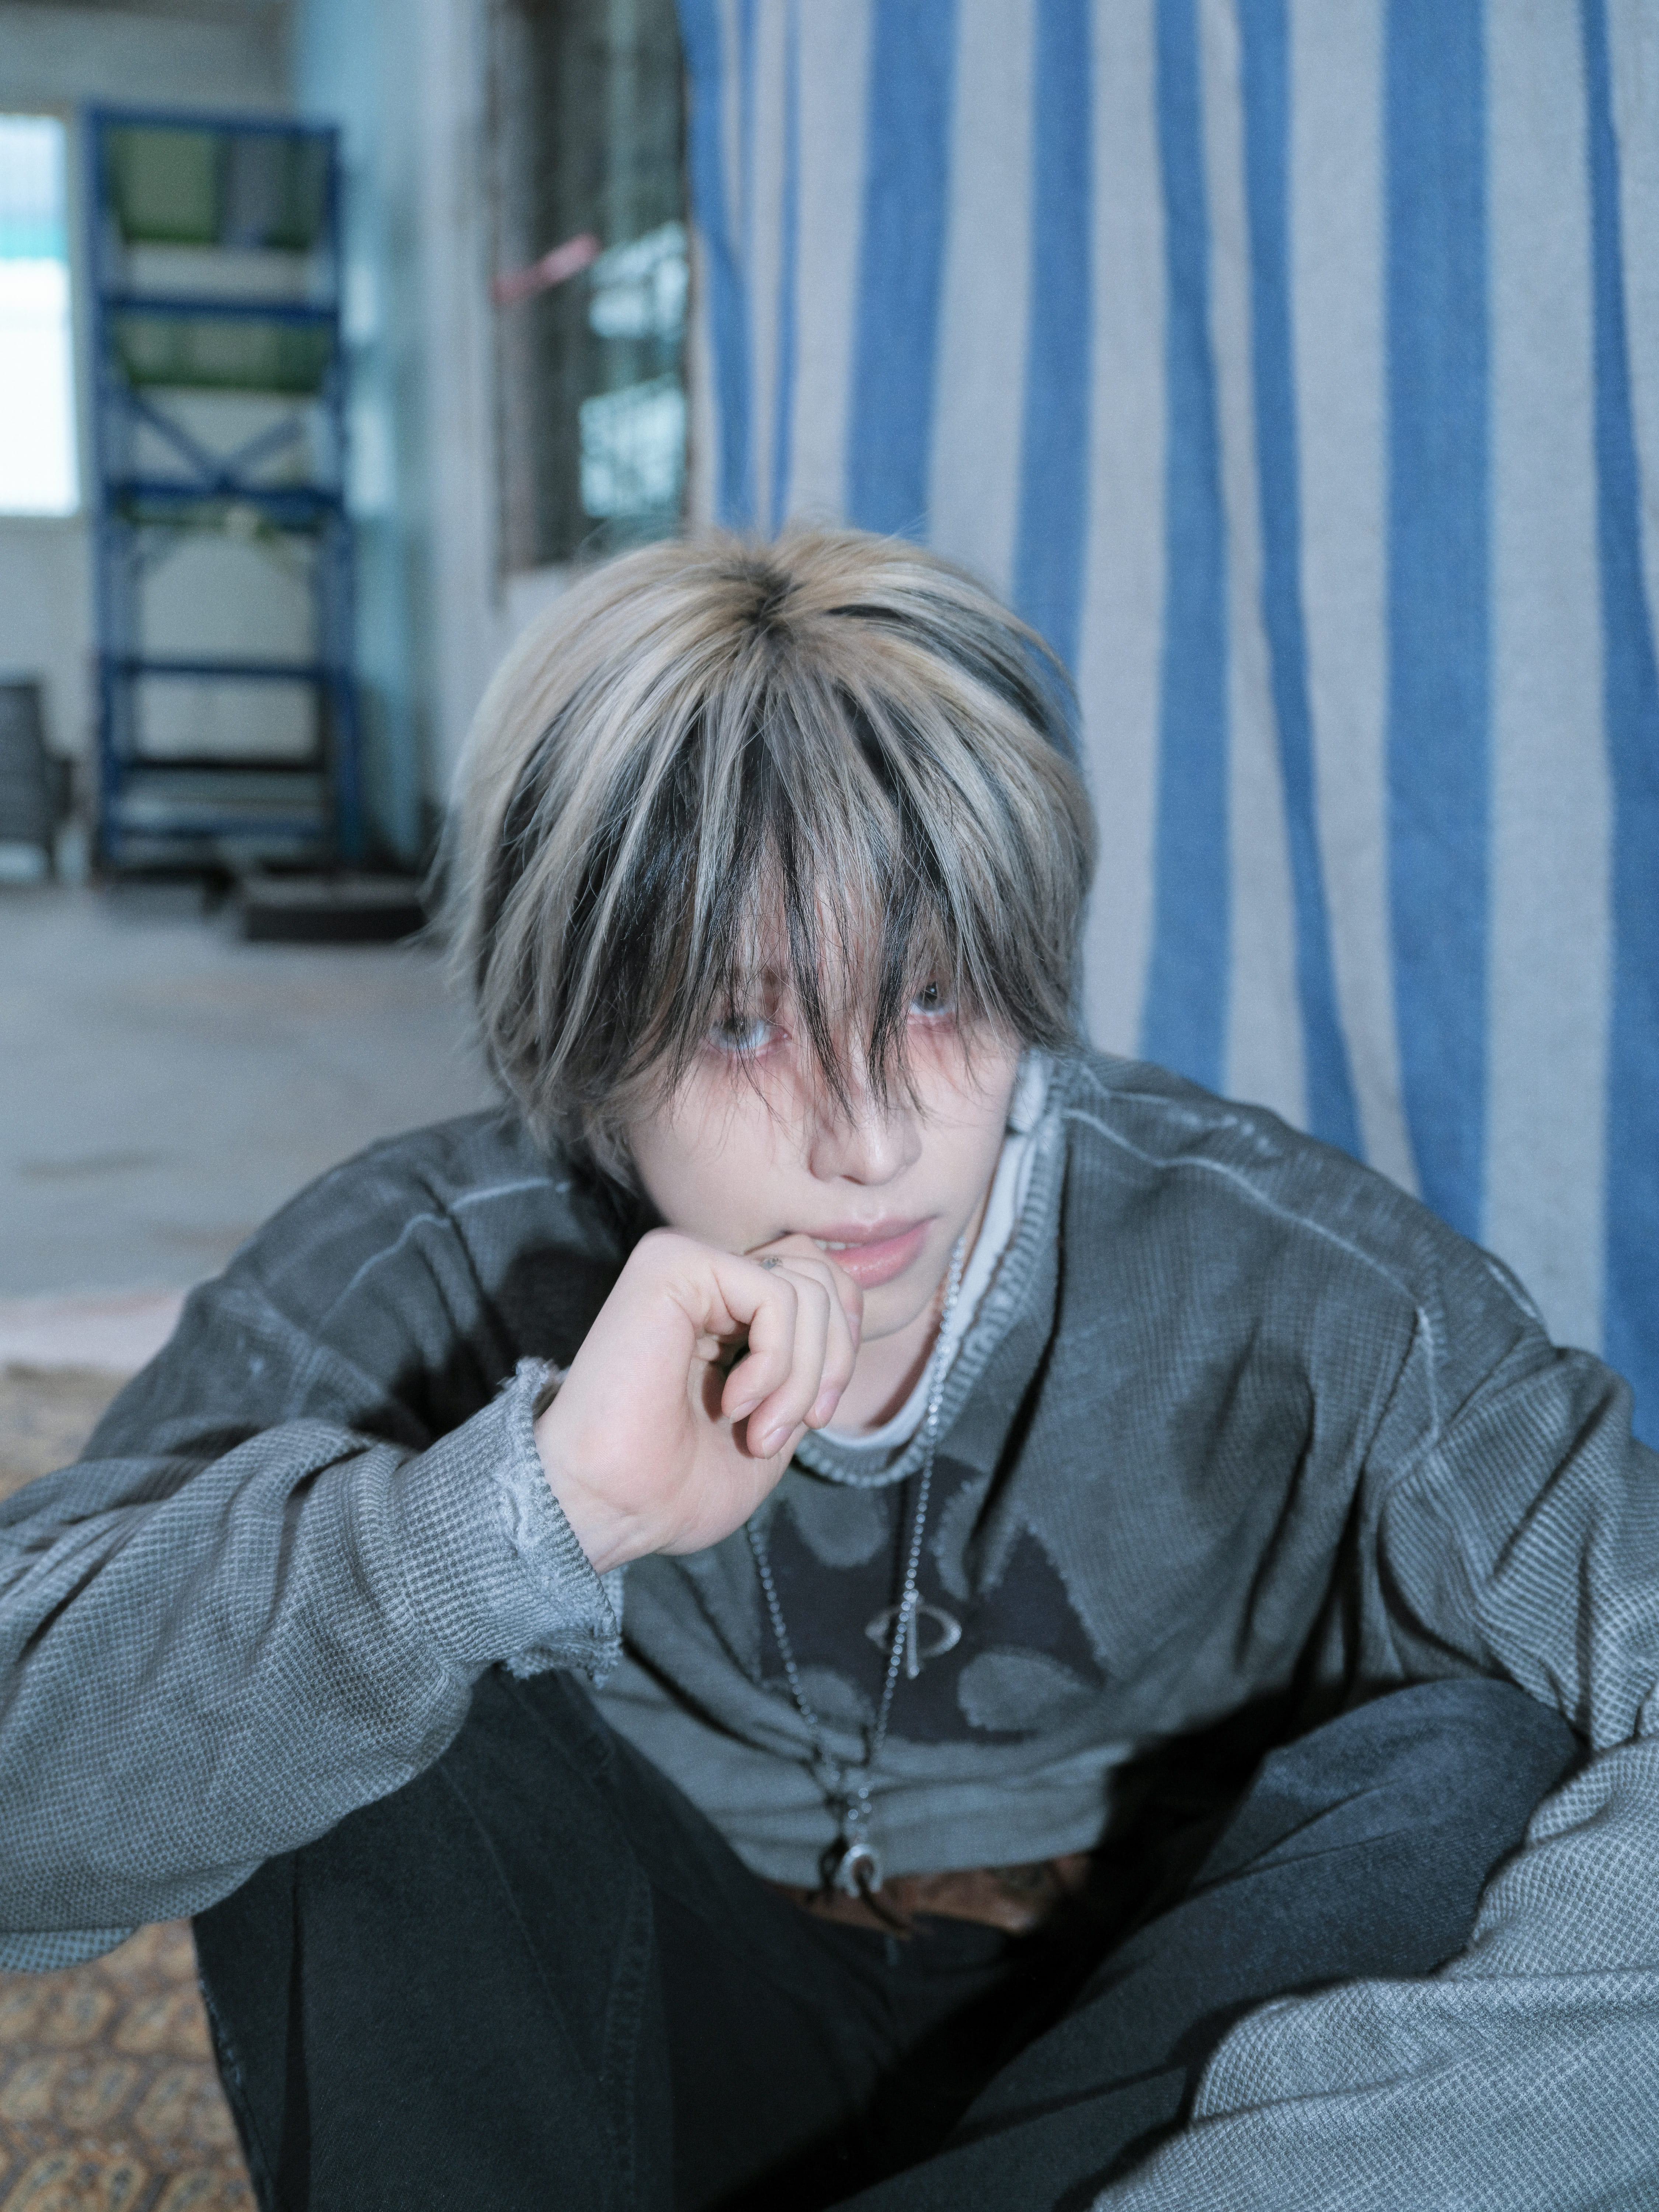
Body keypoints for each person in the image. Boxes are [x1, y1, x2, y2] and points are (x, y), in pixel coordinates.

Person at [3, 529, 1656, 2211]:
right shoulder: (420, 1262)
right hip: (642, 2044)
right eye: (741, 1024)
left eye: (933, 999)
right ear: (576, 1037)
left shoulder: (1294, 1272)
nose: (867, 1146)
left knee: (1467, 1764)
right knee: (343, 1637)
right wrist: (514, 1524)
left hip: (1130, 2055)